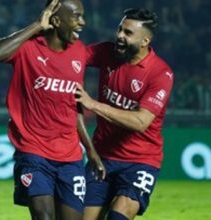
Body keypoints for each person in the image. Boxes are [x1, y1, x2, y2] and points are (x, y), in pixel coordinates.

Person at [0, 0, 105, 219]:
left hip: (70, 156)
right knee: (44, 217)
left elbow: (74, 107)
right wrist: (36, 24)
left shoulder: (79, 52)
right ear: (55, 21)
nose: (82, 22)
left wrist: (90, 151)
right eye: (76, 16)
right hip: (34, 153)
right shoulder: (27, 48)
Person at [74, 8, 174, 220]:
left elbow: (141, 121)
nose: (119, 35)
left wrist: (93, 104)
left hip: (140, 160)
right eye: (120, 29)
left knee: (117, 216)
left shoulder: (160, 74)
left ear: (145, 41)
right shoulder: (106, 52)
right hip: (101, 157)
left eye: (128, 33)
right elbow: (71, 56)